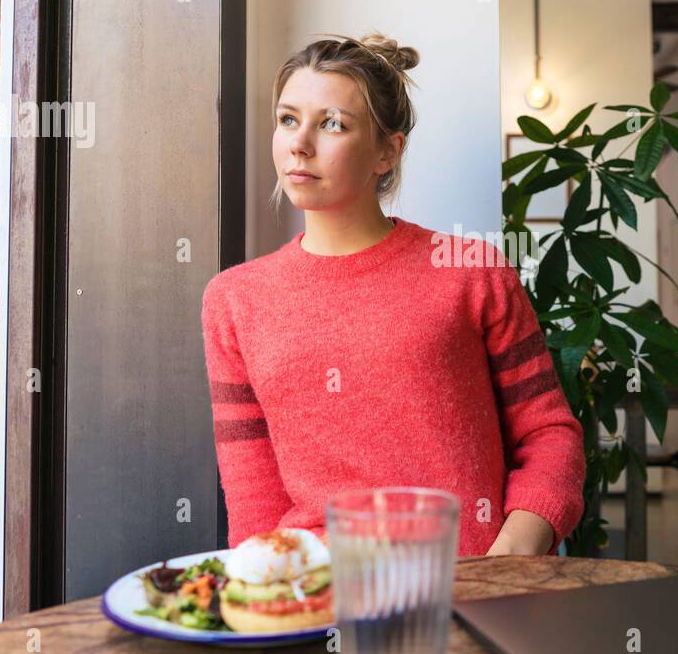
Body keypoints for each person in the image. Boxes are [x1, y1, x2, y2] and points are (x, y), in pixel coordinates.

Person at [200, 32, 586, 557]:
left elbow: (549, 433)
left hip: (468, 587)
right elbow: (252, 490)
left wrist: (508, 561)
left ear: (387, 151)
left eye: (332, 123)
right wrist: (271, 596)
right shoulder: (234, 299)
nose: (299, 143)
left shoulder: (469, 272)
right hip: (316, 596)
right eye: (288, 119)